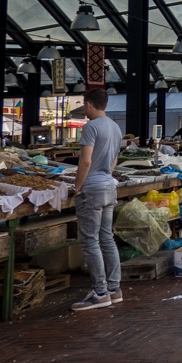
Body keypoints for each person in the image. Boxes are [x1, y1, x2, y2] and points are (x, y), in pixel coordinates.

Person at [72, 88, 123, 311]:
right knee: (107, 239)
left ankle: (100, 293)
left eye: (84, 106)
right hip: (108, 187)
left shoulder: (90, 127)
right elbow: (114, 159)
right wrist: (106, 174)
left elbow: (85, 162)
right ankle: (114, 289)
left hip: (91, 189)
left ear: (88, 104)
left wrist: (77, 187)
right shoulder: (115, 127)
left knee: (91, 242)